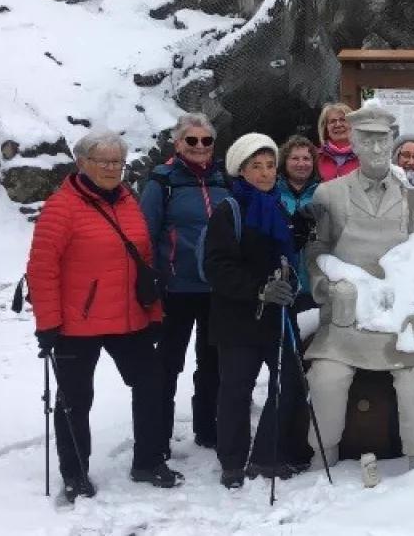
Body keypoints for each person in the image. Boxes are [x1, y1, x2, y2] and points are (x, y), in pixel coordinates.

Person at [28, 130, 183, 503]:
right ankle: (75, 474)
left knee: (151, 384)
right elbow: (42, 269)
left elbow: (144, 262)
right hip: (76, 323)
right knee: (75, 399)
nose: (112, 168)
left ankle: (148, 461)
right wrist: (48, 324)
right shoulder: (61, 207)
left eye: (118, 162)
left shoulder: (128, 200)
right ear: (82, 163)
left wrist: (153, 311)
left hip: (129, 318)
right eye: (104, 161)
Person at [303, 101, 414, 470]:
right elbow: (316, 248)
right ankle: (323, 457)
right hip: (347, 313)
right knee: (326, 378)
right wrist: (327, 288)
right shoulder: (329, 193)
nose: (376, 148)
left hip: (401, 313)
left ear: (393, 140)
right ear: (353, 142)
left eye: (382, 139)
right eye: (366, 140)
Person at [203, 133, 308, 488]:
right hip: (238, 319)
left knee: (289, 382)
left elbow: (284, 256)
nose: (265, 173)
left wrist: (290, 281)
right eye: (256, 166)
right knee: (236, 389)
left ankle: (266, 454)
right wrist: (259, 289)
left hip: (277, 317)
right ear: (241, 171)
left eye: (269, 166)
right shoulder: (229, 211)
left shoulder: (277, 207)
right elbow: (217, 267)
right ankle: (232, 462)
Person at [139, 112, 230, 456]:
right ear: (177, 144)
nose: (199, 146)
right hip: (175, 288)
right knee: (167, 365)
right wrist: (150, 278)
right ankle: (157, 438)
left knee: (212, 363)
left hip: (215, 289)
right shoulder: (162, 181)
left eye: (206, 140)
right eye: (191, 140)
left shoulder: (224, 178)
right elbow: (146, 233)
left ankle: (208, 428)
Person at [277, 135, 320, 312]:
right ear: (285, 162)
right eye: (295, 158)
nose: (301, 164)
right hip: (282, 287)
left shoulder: (323, 193)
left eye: (306, 158)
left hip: (315, 285)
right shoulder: (273, 194)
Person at [317, 102, 358, 182]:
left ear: (353, 124)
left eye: (343, 120)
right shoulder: (317, 157)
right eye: (332, 121)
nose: (338, 125)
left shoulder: (364, 155)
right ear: (326, 128)